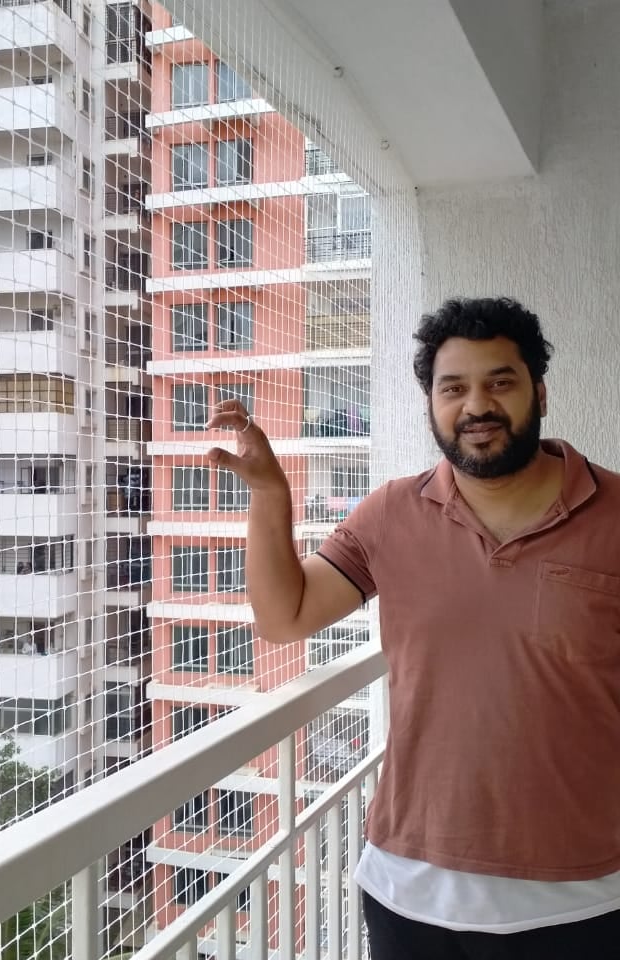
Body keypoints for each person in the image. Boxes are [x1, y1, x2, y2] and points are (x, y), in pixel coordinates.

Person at [206, 297, 620, 959]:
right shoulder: (390, 514)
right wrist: (268, 495)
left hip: (584, 901)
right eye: (453, 388)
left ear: (539, 391)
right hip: (410, 896)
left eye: (500, 382)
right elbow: (286, 617)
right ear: (431, 404)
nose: (476, 405)